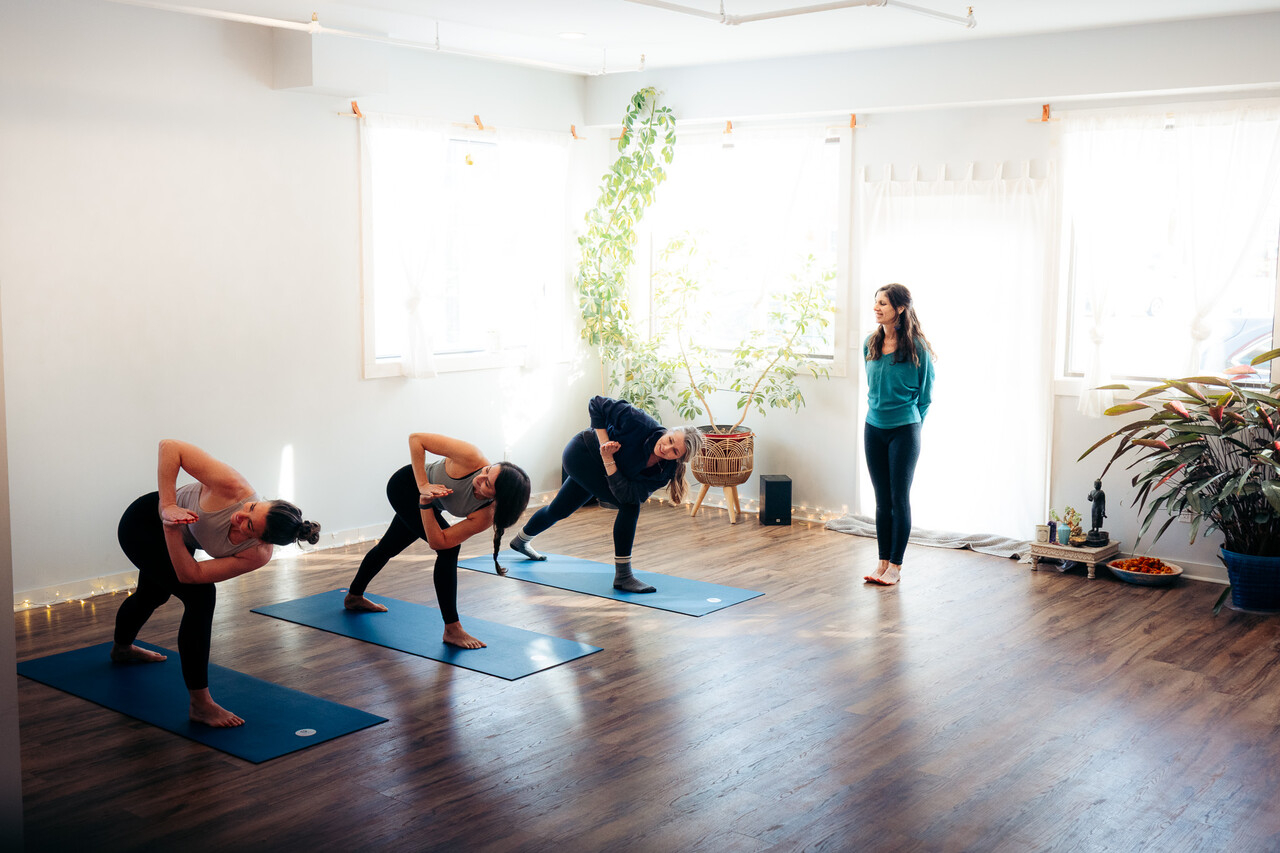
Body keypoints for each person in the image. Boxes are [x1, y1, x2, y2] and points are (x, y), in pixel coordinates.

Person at [112, 440, 321, 727]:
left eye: (248, 525)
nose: (239, 516)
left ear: (260, 540)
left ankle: (122, 649)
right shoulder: (231, 485)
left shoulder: (256, 554)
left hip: (172, 535)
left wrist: (172, 529)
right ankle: (200, 704)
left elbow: (191, 574)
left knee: (154, 595)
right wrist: (169, 508)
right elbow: (170, 447)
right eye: (251, 508)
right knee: (200, 598)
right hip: (142, 522)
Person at [343, 433, 531, 650]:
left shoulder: (485, 514)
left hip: (426, 503)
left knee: (389, 547)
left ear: (496, 498)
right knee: (449, 552)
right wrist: (423, 486)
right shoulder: (471, 456)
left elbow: (439, 541)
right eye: (488, 470)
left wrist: (425, 505)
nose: (480, 477)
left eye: (487, 484)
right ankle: (452, 629)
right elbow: (416, 439)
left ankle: (354, 597)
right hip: (404, 486)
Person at [509, 396, 703, 593]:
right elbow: (596, 403)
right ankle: (623, 576)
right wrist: (605, 443)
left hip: (603, 470)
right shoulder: (640, 423)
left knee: (559, 509)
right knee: (630, 508)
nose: (666, 448)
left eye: (674, 451)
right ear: (668, 431)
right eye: (670, 440)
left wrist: (608, 458)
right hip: (581, 454)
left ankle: (521, 540)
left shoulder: (665, 470)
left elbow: (629, 493)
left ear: (680, 459)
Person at [862, 283, 935, 587]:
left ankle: (896, 566)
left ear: (900, 308)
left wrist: (912, 425)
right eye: (876, 302)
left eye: (884, 304)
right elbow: (872, 387)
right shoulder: (869, 343)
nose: (877, 308)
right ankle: (881, 563)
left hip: (905, 430)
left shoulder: (917, 347)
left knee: (898, 498)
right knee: (881, 500)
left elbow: (926, 395)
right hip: (873, 427)